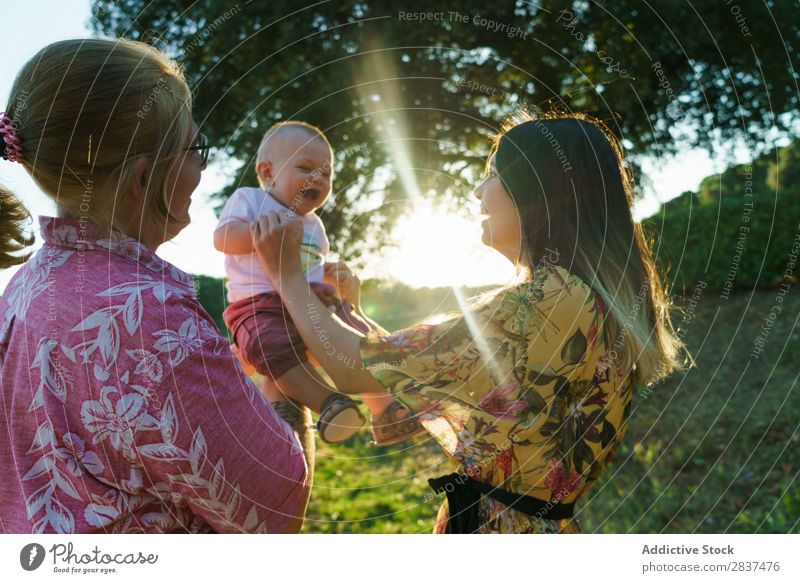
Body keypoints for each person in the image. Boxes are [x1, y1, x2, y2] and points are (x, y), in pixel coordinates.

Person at [250, 112, 687, 533]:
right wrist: (353, 311)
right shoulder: (586, 298)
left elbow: (351, 369)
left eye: (493, 174)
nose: (479, 191)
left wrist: (286, 274)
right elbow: (415, 364)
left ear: (540, 190)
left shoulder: (553, 300)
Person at [0, 38, 308, 533]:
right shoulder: (151, 319)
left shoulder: (27, 287)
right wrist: (286, 363)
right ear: (143, 178)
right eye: (195, 147)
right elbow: (276, 506)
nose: (203, 166)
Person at [214, 121, 421, 444]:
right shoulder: (251, 200)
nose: (318, 179)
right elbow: (223, 239)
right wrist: (261, 235)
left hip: (307, 301)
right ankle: (328, 402)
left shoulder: (314, 225)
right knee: (270, 346)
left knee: (354, 326)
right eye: (305, 168)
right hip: (259, 306)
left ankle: (384, 407)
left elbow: (310, 266)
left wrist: (328, 280)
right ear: (268, 173)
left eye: (326, 174)